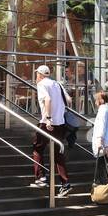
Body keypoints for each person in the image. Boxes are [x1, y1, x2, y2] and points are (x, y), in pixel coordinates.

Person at [30, 65, 71, 196]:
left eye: (37, 74)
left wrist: (48, 118)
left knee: (37, 148)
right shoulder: (57, 84)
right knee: (58, 153)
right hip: (60, 123)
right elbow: (69, 100)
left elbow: (47, 99)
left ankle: (41, 177)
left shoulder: (42, 84)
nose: (36, 77)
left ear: (41, 75)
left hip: (47, 122)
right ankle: (65, 184)